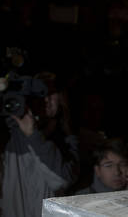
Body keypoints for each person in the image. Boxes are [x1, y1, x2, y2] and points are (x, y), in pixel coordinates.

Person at [2, 72, 79, 217]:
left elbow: (62, 180)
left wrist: (33, 136)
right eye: (39, 94)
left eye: (51, 93)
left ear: (62, 97)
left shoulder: (67, 138)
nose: (46, 99)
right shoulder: (11, 134)